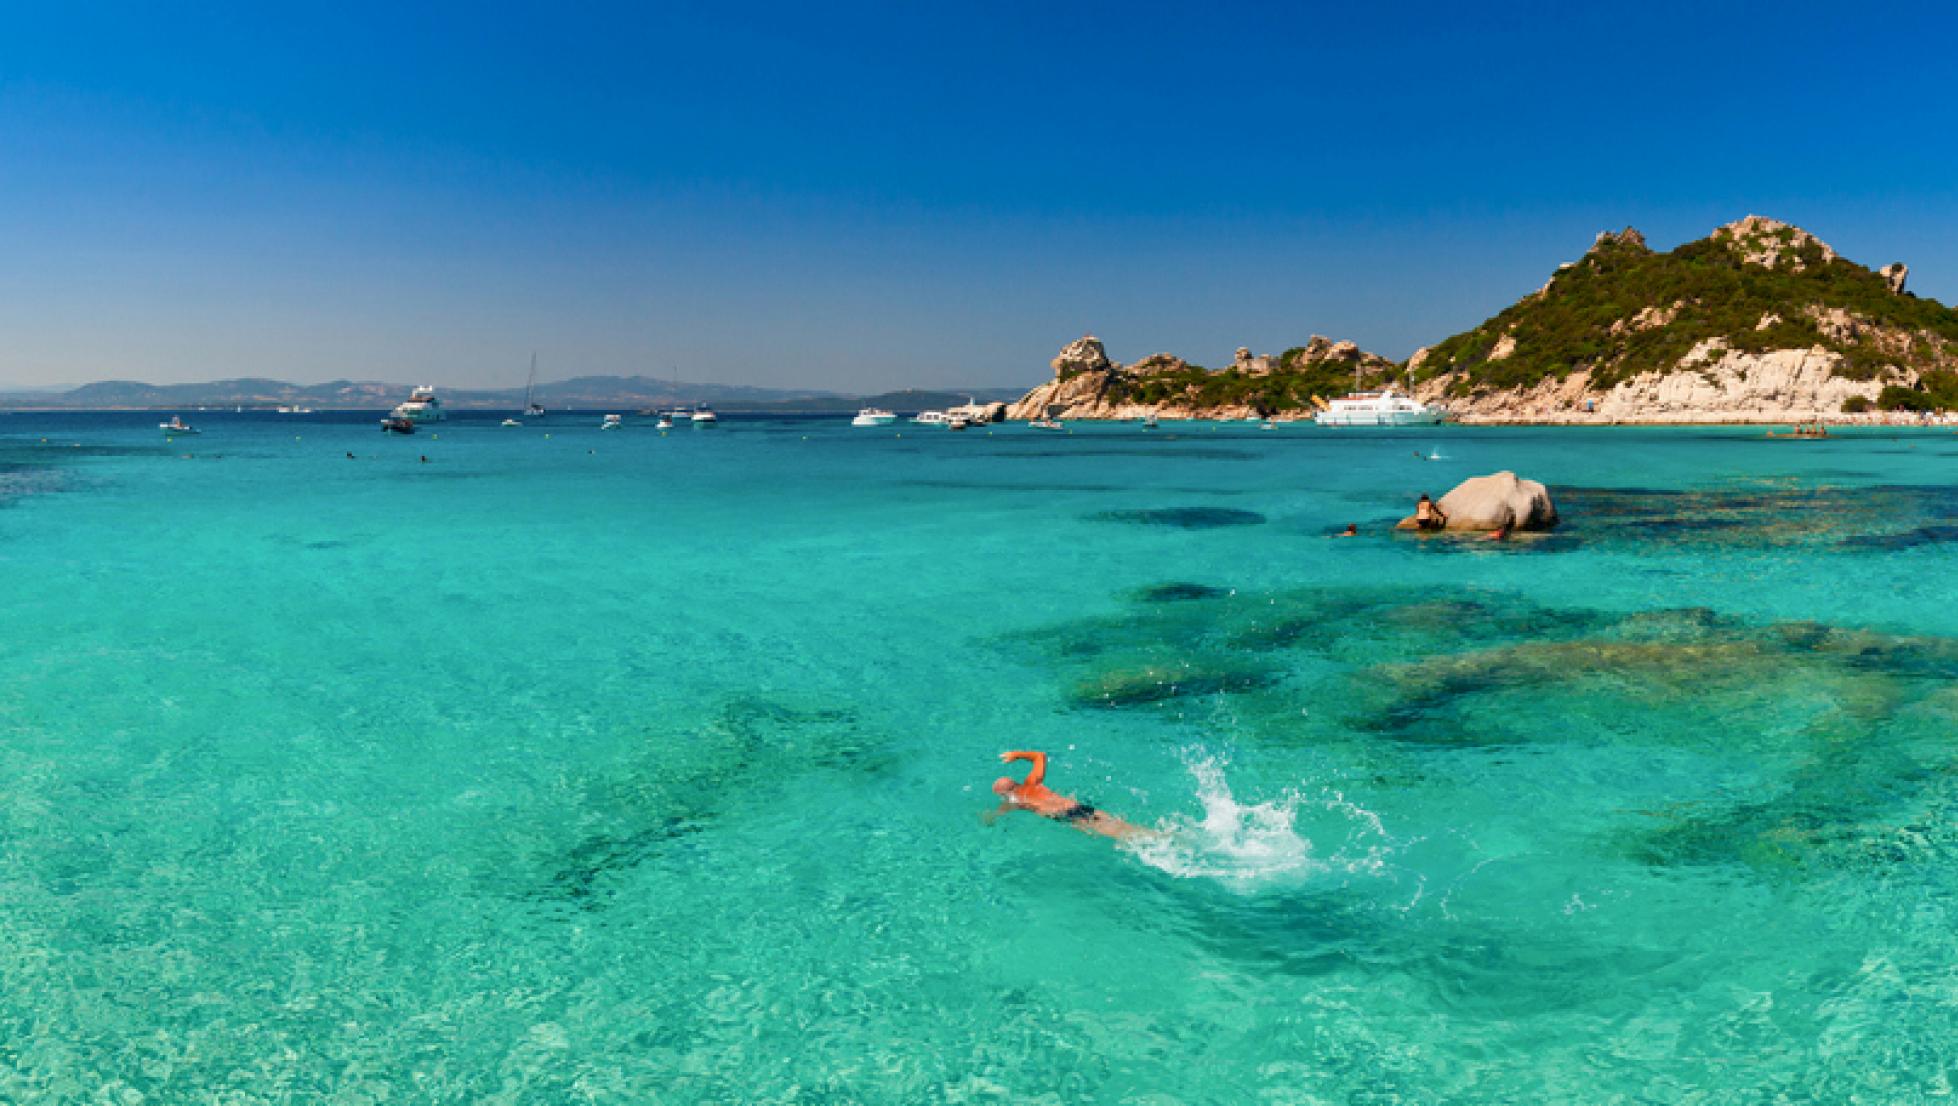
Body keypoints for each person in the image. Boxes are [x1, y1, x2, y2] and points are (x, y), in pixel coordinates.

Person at [987, 751, 1149, 840]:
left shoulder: (1016, 801)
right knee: (1118, 823)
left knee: (1122, 835)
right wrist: (1017, 755)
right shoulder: (1032, 782)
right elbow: (1040, 756)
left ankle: (1154, 842)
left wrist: (989, 817)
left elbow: (997, 814)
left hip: (1066, 815)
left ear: (1005, 794)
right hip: (1075, 806)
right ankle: (1156, 834)